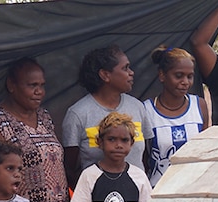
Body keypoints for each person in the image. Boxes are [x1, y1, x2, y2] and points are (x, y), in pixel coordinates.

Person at [0, 57, 69, 202]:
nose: (39, 91)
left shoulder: (44, 117)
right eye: (32, 85)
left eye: (42, 85)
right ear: (11, 85)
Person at [62, 45, 152, 189]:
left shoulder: (138, 107)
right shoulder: (78, 114)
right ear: (105, 75)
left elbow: (147, 158)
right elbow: (69, 168)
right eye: (125, 68)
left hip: (136, 199)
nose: (131, 73)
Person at [144, 46, 210, 187]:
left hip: (193, 189)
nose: (185, 82)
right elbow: (142, 157)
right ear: (162, 75)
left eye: (190, 76)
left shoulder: (199, 106)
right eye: (178, 76)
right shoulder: (147, 110)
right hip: (158, 190)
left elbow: (205, 150)